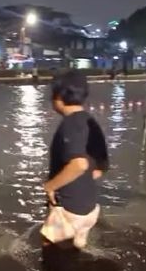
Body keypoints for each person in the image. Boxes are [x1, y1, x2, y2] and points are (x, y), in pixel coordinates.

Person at [42, 70, 109, 249]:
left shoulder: (70, 125)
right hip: (89, 208)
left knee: (53, 254)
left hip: (69, 209)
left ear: (58, 96)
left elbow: (79, 164)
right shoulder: (91, 122)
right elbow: (99, 168)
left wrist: (51, 186)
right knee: (77, 252)